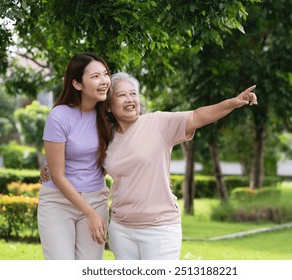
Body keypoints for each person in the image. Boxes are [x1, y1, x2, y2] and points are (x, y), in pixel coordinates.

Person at [40, 71, 257, 260]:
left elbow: (198, 116)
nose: (129, 99)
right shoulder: (108, 138)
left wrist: (233, 102)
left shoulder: (159, 123)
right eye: (122, 95)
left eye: (133, 93)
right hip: (121, 229)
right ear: (108, 106)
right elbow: (89, 166)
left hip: (160, 228)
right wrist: (53, 168)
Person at [38, 53, 112, 260]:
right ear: (78, 84)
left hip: (96, 198)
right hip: (58, 202)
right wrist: (90, 213)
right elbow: (58, 175)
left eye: (105, 74)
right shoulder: (59, 116)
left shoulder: (108, 115)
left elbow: (122, 154)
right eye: (95, 76)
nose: (104, 81)